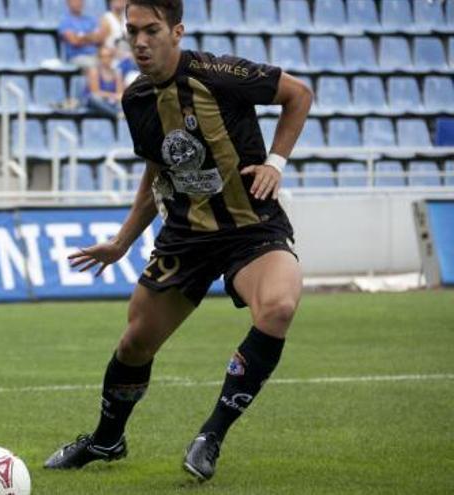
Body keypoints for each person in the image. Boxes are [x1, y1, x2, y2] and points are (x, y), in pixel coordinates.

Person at [43, 0, 313, 483]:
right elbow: (158, 171)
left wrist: (276, 163)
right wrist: (122, 240)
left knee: (278, 307)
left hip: (252, 226)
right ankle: (107, 440)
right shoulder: (136, 99)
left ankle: (212, 435)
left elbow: (299, 95)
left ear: (177, 31)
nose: (140, 42)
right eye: (132, 32)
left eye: (151, 30)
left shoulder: (220, 73)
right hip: (186, 236)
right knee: (134, 344)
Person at [58, 0, 101, 69]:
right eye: (75, 1)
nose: (78, 3)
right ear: (68, 3)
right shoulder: (65, 21)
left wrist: (80, 37)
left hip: (95, 55)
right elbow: (74, 41)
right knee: (94, 65)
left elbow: (98, 39)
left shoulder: (90, 20)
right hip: (76, 57)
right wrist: (90, 38)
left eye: (80, 1)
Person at [86, 46, 124, 119]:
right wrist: (113, 96)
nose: (106, 59)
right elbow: (96, 92)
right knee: (94, 98)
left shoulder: (117, 73)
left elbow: (120, 94)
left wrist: (114, 97)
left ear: (112, 58)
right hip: (96, 102)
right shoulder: (94, 71)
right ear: (99, 58)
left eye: (108, 56)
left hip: (111, 101)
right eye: (103, 57)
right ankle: (117, 114)